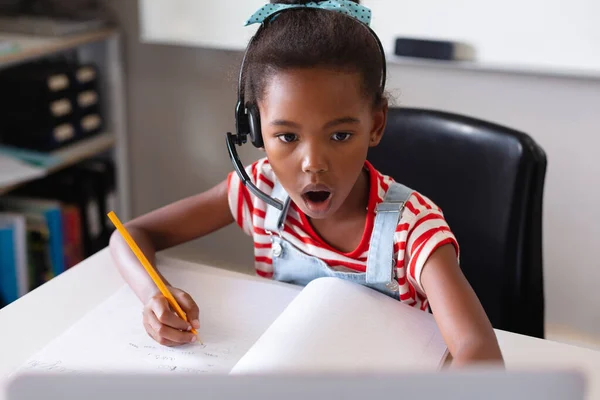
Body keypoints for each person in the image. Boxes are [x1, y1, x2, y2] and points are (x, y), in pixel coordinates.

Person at [109, 0, 503, 366]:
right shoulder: (258, 191)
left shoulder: (412, 229)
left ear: (376, 124)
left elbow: (478, 351)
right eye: (288, 137)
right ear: (256, 131)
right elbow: (131, 235)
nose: (313, 164)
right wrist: (154, 294)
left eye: (340, 136)